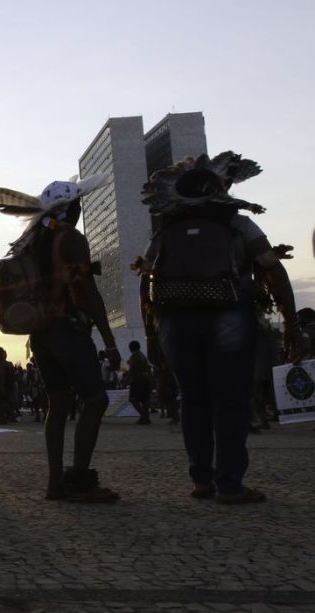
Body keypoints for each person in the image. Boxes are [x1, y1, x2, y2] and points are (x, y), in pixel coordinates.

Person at [137, 151, 308, 504]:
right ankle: (229, 483)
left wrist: (153, 336)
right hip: (230, 315)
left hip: (176, 322)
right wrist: (291, 323)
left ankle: (201, 479)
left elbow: (146, 282)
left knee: (193, 399)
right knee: (231, 400)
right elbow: (274, 271)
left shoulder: (166, 231)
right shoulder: (238, 224)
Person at [0, 175, 121, 502]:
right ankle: (80, 481)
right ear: (71, 207)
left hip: (40, 334)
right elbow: (88, 292)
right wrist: (109, 340)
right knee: (95, 399)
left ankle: (55, 483)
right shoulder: (70, 238)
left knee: (58, 403)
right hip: (67, 328)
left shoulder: (34, 240)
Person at [125, 340, 152, 425]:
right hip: (146, 380)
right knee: (144, 400)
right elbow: (148, 368)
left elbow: (132, 370)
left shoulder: (133, 357)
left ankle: (143, 415)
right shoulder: (143, 356)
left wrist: (126, 381)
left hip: (137, 381)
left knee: (133, 400)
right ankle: (145, 417)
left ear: (130, 348)